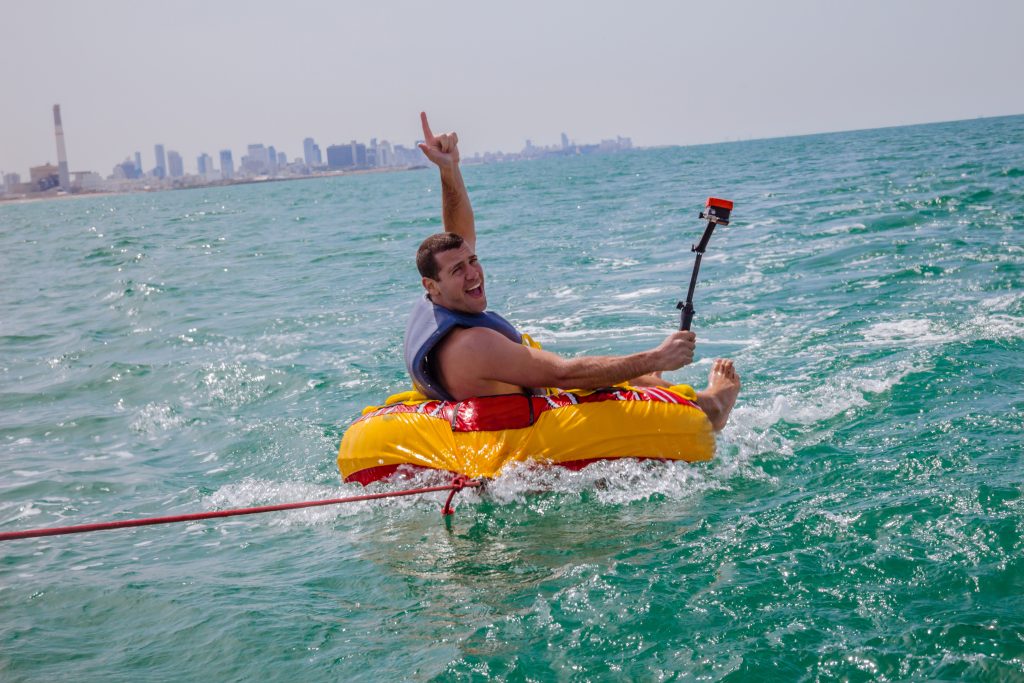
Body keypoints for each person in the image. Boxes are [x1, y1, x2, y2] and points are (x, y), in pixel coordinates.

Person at [404, 112, 740, 431]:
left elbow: (457, 238)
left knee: (625, 373)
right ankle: (715, 407)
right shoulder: (472, 345)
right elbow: (564, 375)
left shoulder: (439, 305)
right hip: (538, 427)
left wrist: (450, 170)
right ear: (431, 285)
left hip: (514, 398)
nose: (473, 273)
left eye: (473, 261)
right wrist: (658, 355)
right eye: (458, 270)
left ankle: (658, 379)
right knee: (609, 376)